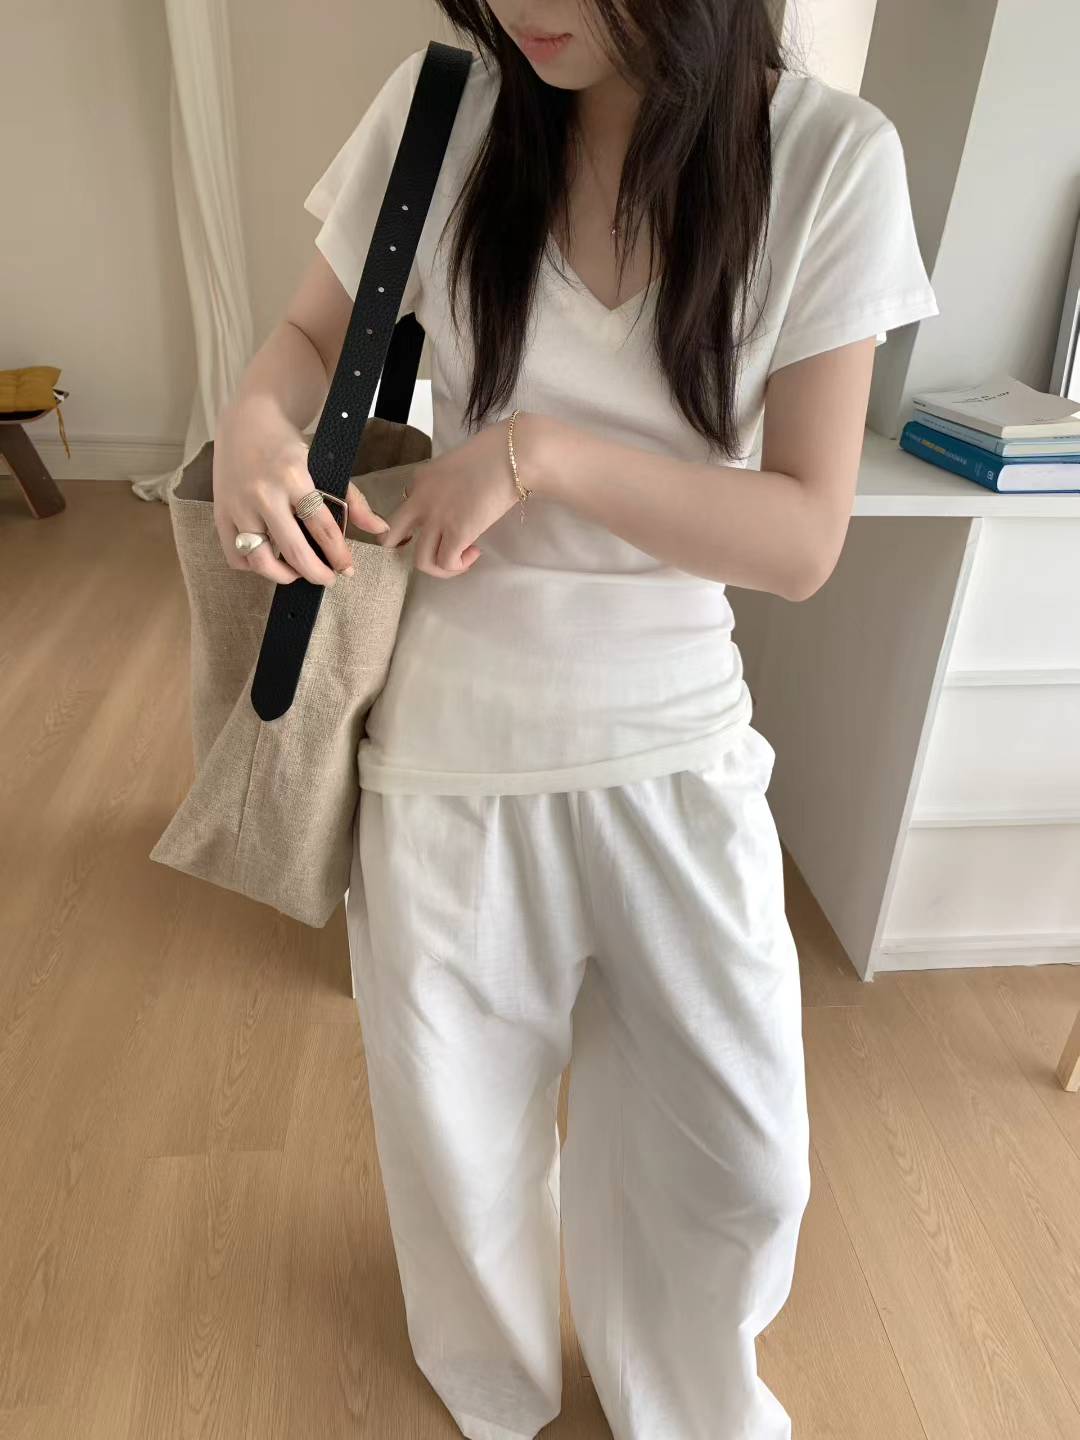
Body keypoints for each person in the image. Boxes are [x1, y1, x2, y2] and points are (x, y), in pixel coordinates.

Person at [212, 4, 938, 1437]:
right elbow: (306, 334)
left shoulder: (830, 159)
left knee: (741, 1158)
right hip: (446, 743)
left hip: (676, 735)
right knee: (458, 1140)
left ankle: (680, 1392)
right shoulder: (444, 114)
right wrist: (253, 429)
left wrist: (537, 456)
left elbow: (802, 536)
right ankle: (496, 1395)